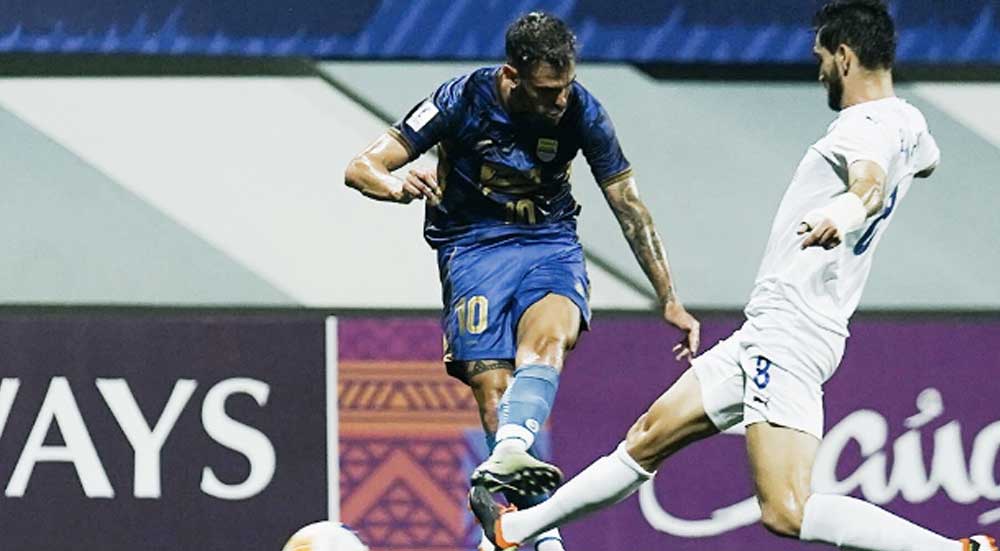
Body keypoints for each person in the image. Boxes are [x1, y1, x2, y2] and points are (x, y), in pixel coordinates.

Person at [470, 2, 996, 551]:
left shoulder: (861, 126)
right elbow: (925, 160)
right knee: (647, 437)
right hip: (767, 330)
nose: (819, 71)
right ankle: (514, 530)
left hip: (790, 333)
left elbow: (868, 184)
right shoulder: (908, 124)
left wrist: (840, 214)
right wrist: (881, 181)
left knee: (787, 510)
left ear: (844, 57)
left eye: (821, 57)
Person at [344, 11, 699, 551]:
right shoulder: (460, 99)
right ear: (512, 76)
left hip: (548, 242)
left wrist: (669, 297)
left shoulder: (582, 111)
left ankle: (518, 471)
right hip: (471, 247)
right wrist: (397, 187)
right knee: (493, 393)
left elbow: (628, 206)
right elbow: (361, 167)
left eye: (566, 86)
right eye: (547, 91)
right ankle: (539, 530)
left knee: (551, 338)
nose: (560, 100)